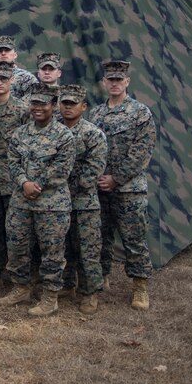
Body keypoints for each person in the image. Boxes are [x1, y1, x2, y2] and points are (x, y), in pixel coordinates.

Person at [0, 84, 76, 316]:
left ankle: (50, 296)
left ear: (53, 106)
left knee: (52, 251)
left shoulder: (64, 135)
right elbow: (11, 162)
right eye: (34, 103)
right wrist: (24, 183)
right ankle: (20, 287)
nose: (38, 108)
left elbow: (61, 169)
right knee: (17, 246)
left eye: (43, 104)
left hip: (52, 205)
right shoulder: (20, 133)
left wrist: (36, 185)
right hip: (21, 202)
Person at [87, 60, 157, 310]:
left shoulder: (140, 112)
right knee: (99, 237)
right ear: (104, 82)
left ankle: (140, 286)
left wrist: (116, 178)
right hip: (98, 187)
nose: (115, 83)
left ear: (127, 81)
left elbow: (142, 151)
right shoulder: (95, 113)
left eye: (119, 79)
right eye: (110, 79)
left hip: (129, 189)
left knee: (134, 238)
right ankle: (103, 276)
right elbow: (89, 148)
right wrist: (96, 177)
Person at [58, 84, 108, 314]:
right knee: (63, 247)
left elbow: (93, 170)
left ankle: (90, 292)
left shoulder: (93, 134)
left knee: (88, 249)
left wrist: (63, 187)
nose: (67, 107)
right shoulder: (54, 131)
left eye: (72, 103)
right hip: (57, 203)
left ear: (83, 106)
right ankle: (67, 285)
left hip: (83, 203)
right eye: (64, 103)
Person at [0, 61, 30, 284]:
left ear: (12, 81)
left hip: (14, 179)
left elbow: (30, 145)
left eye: (4, 79)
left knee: (16, 231)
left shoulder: (22, 110)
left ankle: (18, 274)